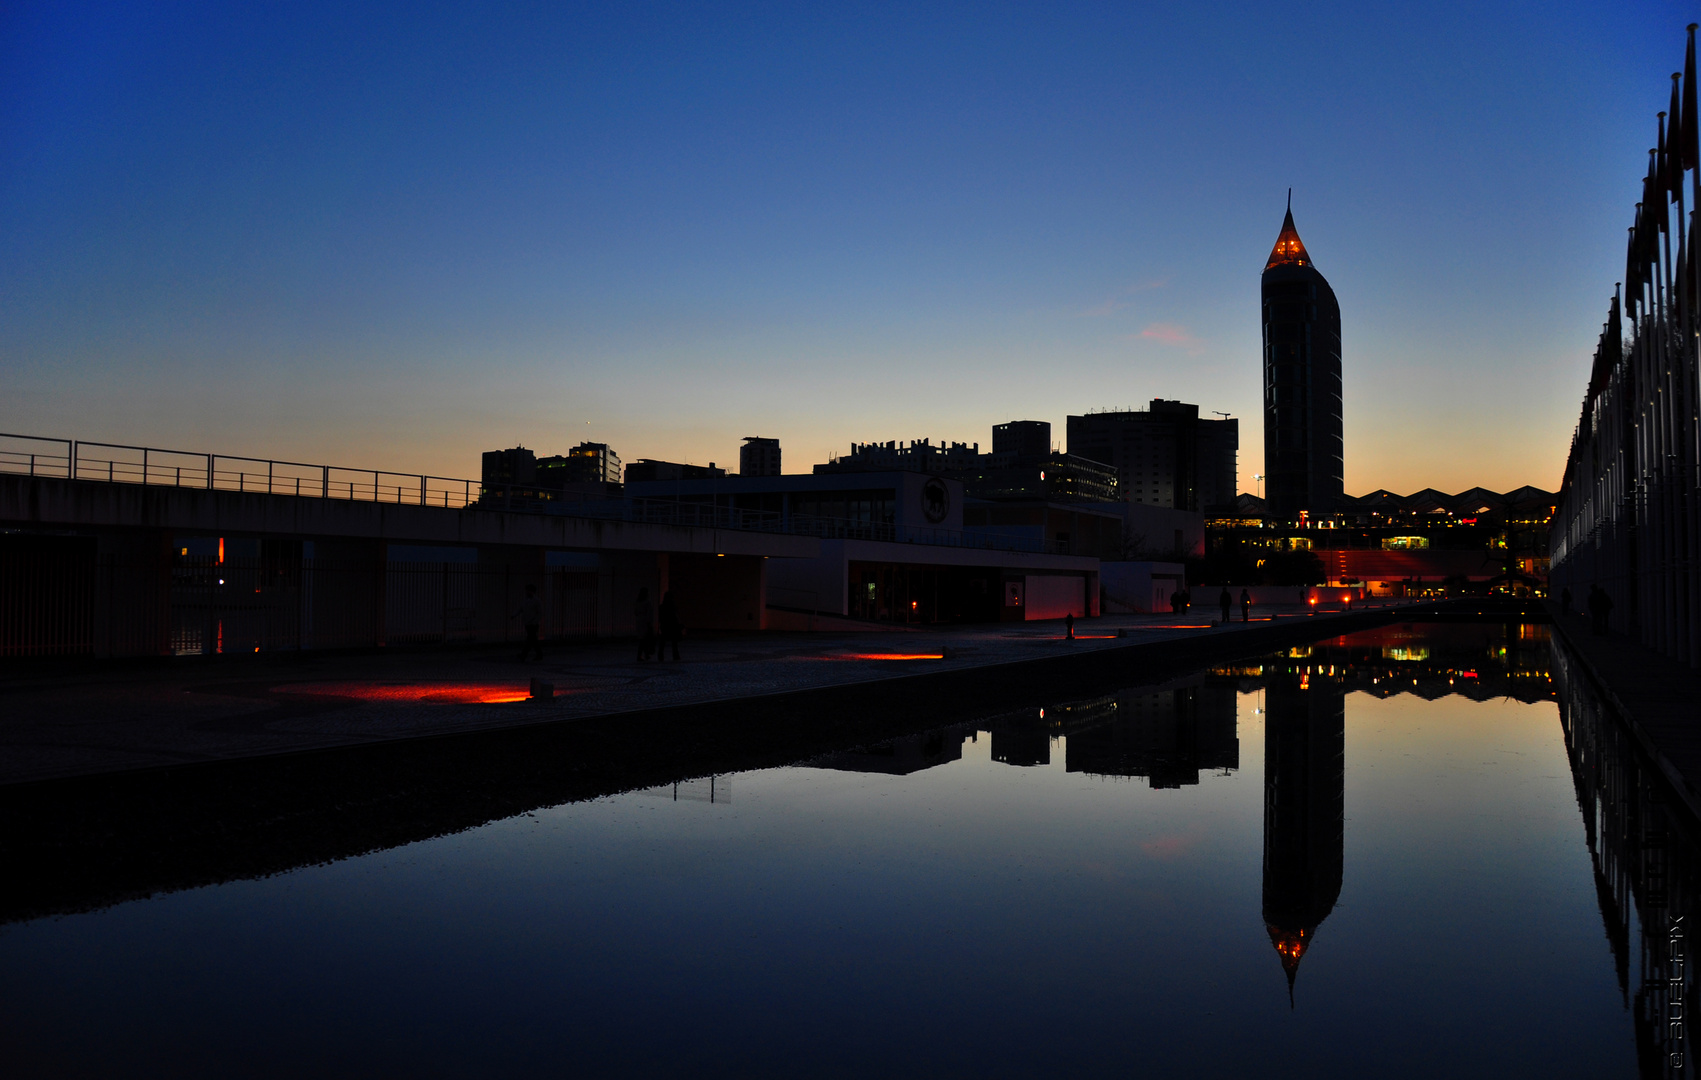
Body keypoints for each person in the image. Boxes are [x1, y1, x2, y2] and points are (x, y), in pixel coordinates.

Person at [515, 584, 543, 662]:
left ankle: (524, 654)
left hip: (533, 623)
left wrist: (535, 621)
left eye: (528, 590)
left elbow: (539, 613)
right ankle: (537, 654)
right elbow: (521, 609)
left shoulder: (537, 601)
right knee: (532, 640)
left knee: (531, 639)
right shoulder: (526, 600)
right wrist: (514, 615)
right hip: (528, 623)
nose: (527, 592)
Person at [658, 589, 683, 662]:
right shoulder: (672, 607)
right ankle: (675, 656)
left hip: (665, 625)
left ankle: (660, 656)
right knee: (674, 642)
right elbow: (675, 616)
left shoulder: (662, 607)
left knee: (663, 642)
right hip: (672, 625)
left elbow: (660, 617)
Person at [634, 587, 656, 661]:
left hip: (639, 621)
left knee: (643, 639)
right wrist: (649, 622)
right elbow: (649, 613)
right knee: (644, 639)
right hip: (645, 622)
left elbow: (635, 612)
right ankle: (641, 655)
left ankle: (645, 654)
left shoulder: (638, 602)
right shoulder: (647, 602)